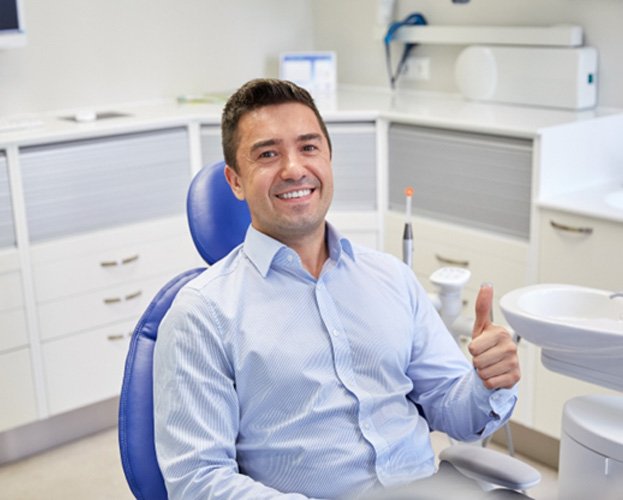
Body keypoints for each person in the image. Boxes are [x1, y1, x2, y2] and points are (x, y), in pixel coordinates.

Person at [153, 78, 521, 499]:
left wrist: (487, 383)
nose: (294, 169)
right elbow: (197, 481)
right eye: (268, 154)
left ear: (329, 160)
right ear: (235, 181)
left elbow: (451, 407)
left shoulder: (391, 277)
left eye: (309, 148)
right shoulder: (202, 313)